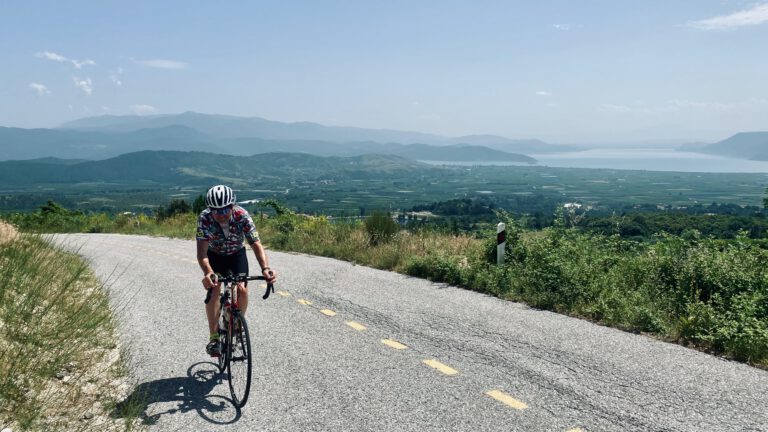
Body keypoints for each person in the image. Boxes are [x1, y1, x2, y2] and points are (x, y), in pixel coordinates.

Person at [196, 185, 277, 356]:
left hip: (236, 255)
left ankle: (237, 326)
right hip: (215, 256)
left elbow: (255, 243)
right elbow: (202, 253)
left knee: (242, 290)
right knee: (215, 288)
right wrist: (208, 272)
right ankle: (214, 337)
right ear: (210, 209)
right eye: (215, 210)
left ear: (233, 205)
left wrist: (265, 268)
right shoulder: (205, 218)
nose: (221, 214)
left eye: (225, 209)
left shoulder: (242, 216)